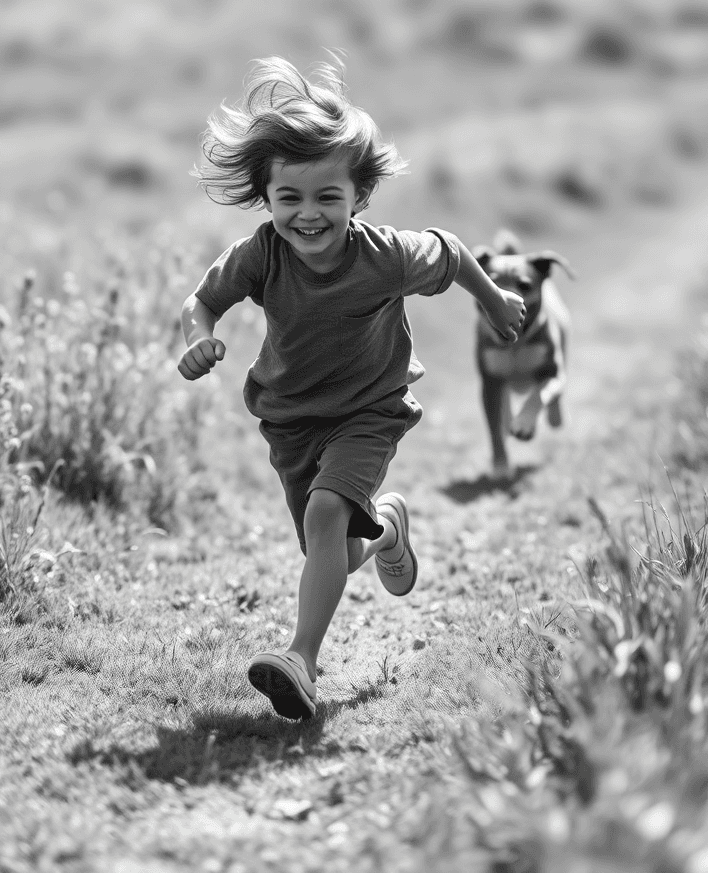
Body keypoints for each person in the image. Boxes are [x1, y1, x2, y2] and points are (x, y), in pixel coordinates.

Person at [178, 57, 526, 721]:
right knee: (336, 547)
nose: (308, 215)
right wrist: (197, 338)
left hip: (370, 409)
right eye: (290, 199)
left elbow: (449, 252)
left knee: (326, 515)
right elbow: (203, 300)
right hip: (291, 420)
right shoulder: (261, 255)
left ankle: (300, 661)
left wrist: (493, 300)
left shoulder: (384, 256)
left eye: (327, 198)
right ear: (267, 197)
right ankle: (389, 526)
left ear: (358, 198)